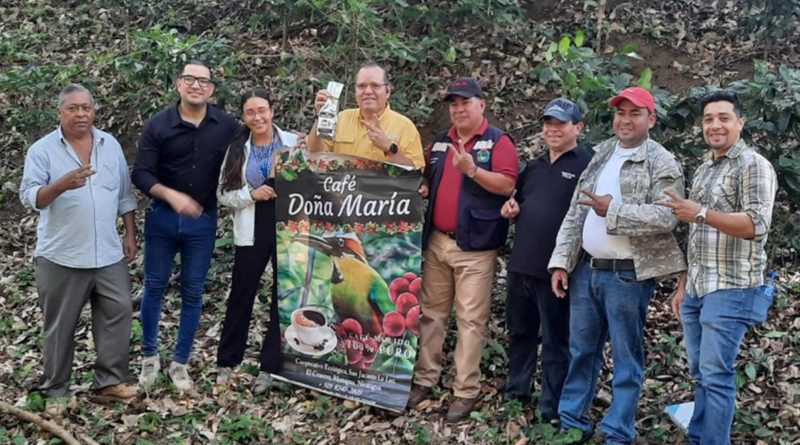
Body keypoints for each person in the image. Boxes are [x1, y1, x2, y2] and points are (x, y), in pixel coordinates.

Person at [547, 87, 686, 444]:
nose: (625, 120)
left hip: (627, 275)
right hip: (586, 271)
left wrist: (615, 211)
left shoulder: (661, 161)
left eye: (635, 113)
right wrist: (562, 261)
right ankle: (572, 423)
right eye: (620, 113)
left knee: (626, 357)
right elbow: (577, 210)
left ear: (651, 119)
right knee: (582, 351)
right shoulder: (603, 152)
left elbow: (669, 216)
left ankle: (618, 432)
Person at [659, 90, 777, 445]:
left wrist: (701, 212)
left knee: (716, 374)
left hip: (732, 287)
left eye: (724, 118)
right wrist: (683, 285)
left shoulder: (753, 164)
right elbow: (696, 234)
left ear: (740, 122)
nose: (715, 125)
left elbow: (757, 225)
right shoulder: (706, 167)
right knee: (700, 375)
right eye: (709, 119)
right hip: (698, 288)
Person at [19, 84, 139, 415]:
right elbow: (29, 197)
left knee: (119, 312)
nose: (81, 114)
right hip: (62, 256)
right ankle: (56, 389)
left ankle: (108, 383)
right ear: (60, 113)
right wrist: (61, 184)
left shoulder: (109, 145)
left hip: (108, 253)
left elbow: (125, 194)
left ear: (94, 111)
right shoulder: (42, 150)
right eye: (73, 108)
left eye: (86, 108)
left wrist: (129, 233)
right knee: (60, 326)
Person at [407, 77, 518, 422]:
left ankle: (464, 390)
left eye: (465, 103)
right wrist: (425, 185)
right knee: (431, 314)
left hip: (477, 247)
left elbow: (508, 184)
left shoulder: (498, 142)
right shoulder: (442, 142)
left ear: (481, 104)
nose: (458, 109)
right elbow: (427, 174)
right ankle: (426, 378)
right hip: (438, 241)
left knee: (471, 320)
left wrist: (472, 170)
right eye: (453, 104)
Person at [132, 60, 239, 392]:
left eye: (203, 81)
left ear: (211, 89)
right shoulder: (158, 125)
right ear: (179, 84)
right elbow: (141, 173)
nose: (196, 85)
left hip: (203, 221)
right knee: (154, 287)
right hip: (162, 218)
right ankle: (150, 357)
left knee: (193, 292)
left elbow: (262, 141)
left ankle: (180, 363)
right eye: (190, 79)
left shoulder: (227, 126)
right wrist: (171, 195)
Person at [500, 99, 593, 420]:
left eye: (561, 123)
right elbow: (518, 203)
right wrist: (510, 210)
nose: (553, 129)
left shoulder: (588, 164)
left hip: (558, 271)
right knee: (520, 333)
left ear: (578, 128)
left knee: (557, 340)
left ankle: (551, 407)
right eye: (548, 123)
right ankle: (516, 394)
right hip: (521, 266)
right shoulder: (535, 166)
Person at [215, 88, 299, 395]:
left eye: (262, 110)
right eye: (250, 112)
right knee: (242, 292)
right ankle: (227, 360)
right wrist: (252, 194)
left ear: (272, 111)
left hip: (288, 226)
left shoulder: (292, 142)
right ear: (244, 116)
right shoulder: (238, 149)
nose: (257, 117)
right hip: (252, 224)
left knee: (283, 293)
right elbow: (222, 194)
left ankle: (270, 366)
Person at [306, 62, 424, 169]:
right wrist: (321, 116)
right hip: (341, 190)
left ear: (387, 91)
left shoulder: (405, 127)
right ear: (356, 91)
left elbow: (415, 175)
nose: (367, 91)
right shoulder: (341, 119)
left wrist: (389, 148)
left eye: (375, 86)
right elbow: (314, 155)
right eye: (362, 86)